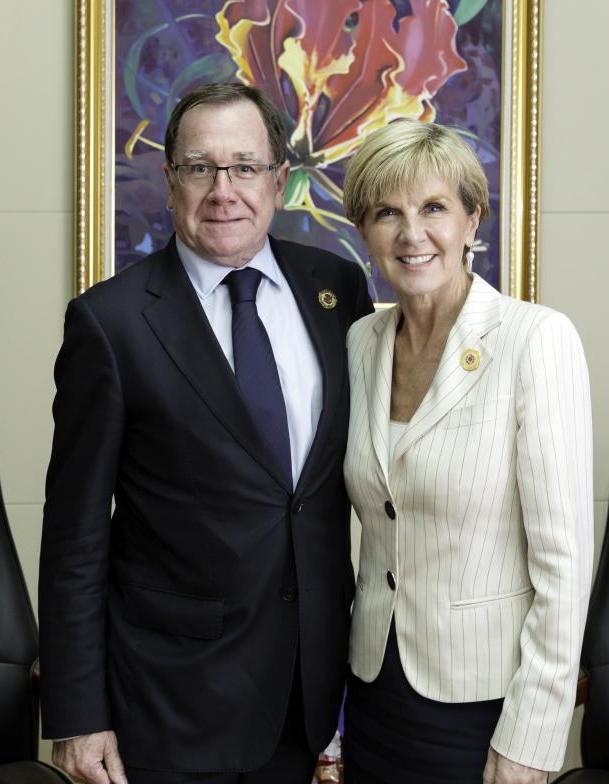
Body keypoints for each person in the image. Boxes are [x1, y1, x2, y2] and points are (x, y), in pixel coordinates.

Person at [38, 83, 374, 784]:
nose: (225, 190)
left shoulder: (338, 291)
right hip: (171, 700)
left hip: (310, 694)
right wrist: (75, 713)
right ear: (170, 182)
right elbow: (74, 535)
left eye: (245, 166)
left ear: (279, 181)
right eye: (200, 167)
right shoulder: (111, 322)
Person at [339, 120, 593, 783]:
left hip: (482, 703)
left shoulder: (535, 340)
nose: (410, 233)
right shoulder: (360, 344)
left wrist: (531, 742)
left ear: (473, 219)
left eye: (433, 208)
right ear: (364, 231)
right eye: (387, 212)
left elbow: (563, 566)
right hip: (372, 691)